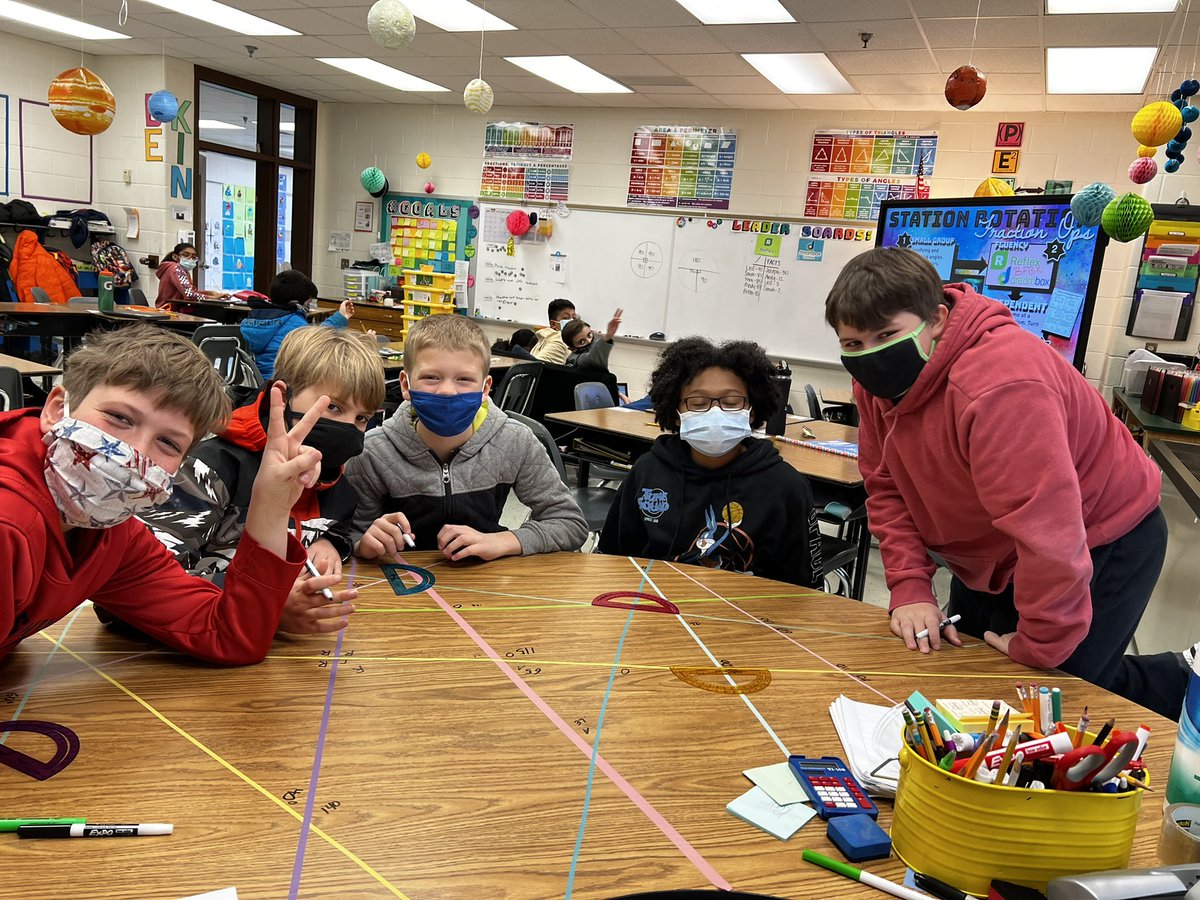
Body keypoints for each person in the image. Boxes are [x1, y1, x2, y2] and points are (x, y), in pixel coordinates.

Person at [825, 246, 1185, 718]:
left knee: (1054, 700)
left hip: (1101, 535)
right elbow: (886, 486)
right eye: (853, 344)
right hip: (995, 546)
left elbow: (1048, 533)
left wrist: (1041, 640)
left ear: (935, 319)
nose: (870, 355)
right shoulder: (876, 380)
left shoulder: (1001, 386)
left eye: (886, 335)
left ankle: (1182, 681)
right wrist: (910, 588)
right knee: (970, 676)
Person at [0, 324, 326, 666]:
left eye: (168, 442)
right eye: (119, 417)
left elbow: (228, 635)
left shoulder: (112, 537)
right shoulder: (10, 520)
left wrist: (271, 505)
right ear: (56, 410)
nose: (133, 452)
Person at [135, 327, 383, 635]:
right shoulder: (212, 470)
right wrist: (266, 602)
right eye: (333, 407)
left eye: (362, 418)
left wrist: (331, 544)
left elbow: (339, 527)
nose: (348, 427)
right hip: (179, 650)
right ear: (283, 397)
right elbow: (143, 581)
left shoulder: (337, 486)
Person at [347, 314, 587, 562]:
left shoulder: (515, 441)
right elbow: (346, 534)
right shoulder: (371, 451)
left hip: (484, 585)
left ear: (485, 389)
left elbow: (569, 523)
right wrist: (363, 542)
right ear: (406, 385)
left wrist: (500, 541)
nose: (448, 391)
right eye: (431, 377)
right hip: (401, 584)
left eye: (464, 379)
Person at [598, 337, 823, 589]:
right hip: (656, 611)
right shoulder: (647, 471)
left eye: (731, 402)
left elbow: (801, 591)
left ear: (752, 410)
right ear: (675, 412)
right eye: (697, 403)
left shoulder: (785, 487)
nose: (714, 412)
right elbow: (613, 560)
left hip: (747, 619)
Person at [241, 270, 354, 382]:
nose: (309, 308)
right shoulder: (294, 322)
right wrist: (341, 317)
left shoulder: (257, 320)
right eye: (308, 303)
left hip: (263, 386)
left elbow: (313, 334)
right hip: (286, 386)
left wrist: (341, 316)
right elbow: (319, 338)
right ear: (296, 303)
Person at [155, 243, 226, 308]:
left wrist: (210, 293)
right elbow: (189, 295)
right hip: (169, 311)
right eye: (186, 255)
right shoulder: (176, 268)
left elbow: (191, 291)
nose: (191, 259)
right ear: (175, 257)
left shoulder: (182, 270)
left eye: (194, 257)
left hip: (174, 309)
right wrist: (214, 298)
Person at [563, 308, 623, 373]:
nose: (589, 341)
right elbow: (591, 358)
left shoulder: (594, 345)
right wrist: (607, 336)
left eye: (589, 335)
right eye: (582, 342)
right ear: (573, 349)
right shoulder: (575, 359)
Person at [531, 298, 576, 364]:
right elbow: (537, 366)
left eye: (574, 317)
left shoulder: (545, 336)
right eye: (566, 318)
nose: (572, 321)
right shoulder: (560, 339)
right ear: (553, 324)